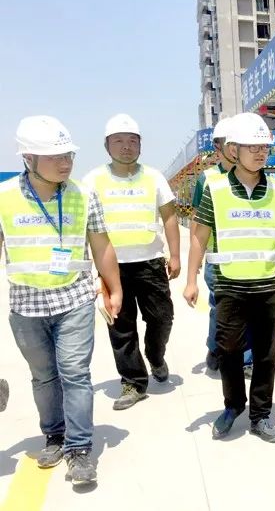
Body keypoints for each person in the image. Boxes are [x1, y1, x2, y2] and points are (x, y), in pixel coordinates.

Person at [2, 116, 122, 485]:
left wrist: (114, 288)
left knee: (76, 374)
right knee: (43, 377)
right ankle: (54, 435)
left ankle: (80, 449)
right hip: (26, 305)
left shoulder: (83, 195)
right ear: (29, 159)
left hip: (74, 299)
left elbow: (101, 245)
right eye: (55, 156)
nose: (65, 162)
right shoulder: (4, 198)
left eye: (68, 155)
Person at [184, 113, 275, 441]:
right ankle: (233, 406)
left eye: (264, 148)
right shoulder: (215, 188)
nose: (260, 153)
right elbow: (199, 236)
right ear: (234, 150)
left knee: (265, 354)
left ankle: (260, 415)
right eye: (253, 147)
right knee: (228, 350)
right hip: (228, 284)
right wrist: (191, 279)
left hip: (267, 285)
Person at [82, 114, 180, 410]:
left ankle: (155, 356)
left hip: (150, 263)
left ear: (140, 144)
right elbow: (83, 226)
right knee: (121, 327)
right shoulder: (92, 181)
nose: (126, 146)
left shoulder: (154, 177)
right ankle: (133, 382)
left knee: (162, 318)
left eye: (132, 141)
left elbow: (170, 217)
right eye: (119, 141)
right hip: (111, 267)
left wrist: (175, 255)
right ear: (107, 145)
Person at [191, 116, 253, 376]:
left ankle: (246, 358)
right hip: (217, 257)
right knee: (221, 308)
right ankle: (215, 346)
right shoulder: (206, 179)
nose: (235, 148)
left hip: (249, 256)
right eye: (229, 143)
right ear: (217, 146)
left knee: (249, 309)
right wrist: (194, 261)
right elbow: (197, 222)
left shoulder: (253, 175)